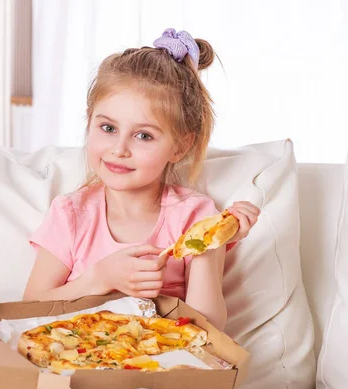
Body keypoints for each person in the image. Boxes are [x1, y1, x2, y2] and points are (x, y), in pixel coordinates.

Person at [23, 28, 260, 332]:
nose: (119, 149)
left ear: (180, 147)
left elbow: (209, 327)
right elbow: (29, 308)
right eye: (108, 128)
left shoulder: (194, 216)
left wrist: (208, 243)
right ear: (89, 121)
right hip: (76, 357)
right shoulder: (71, 215)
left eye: (143, 135)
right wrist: (100, 279)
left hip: (161, 362)